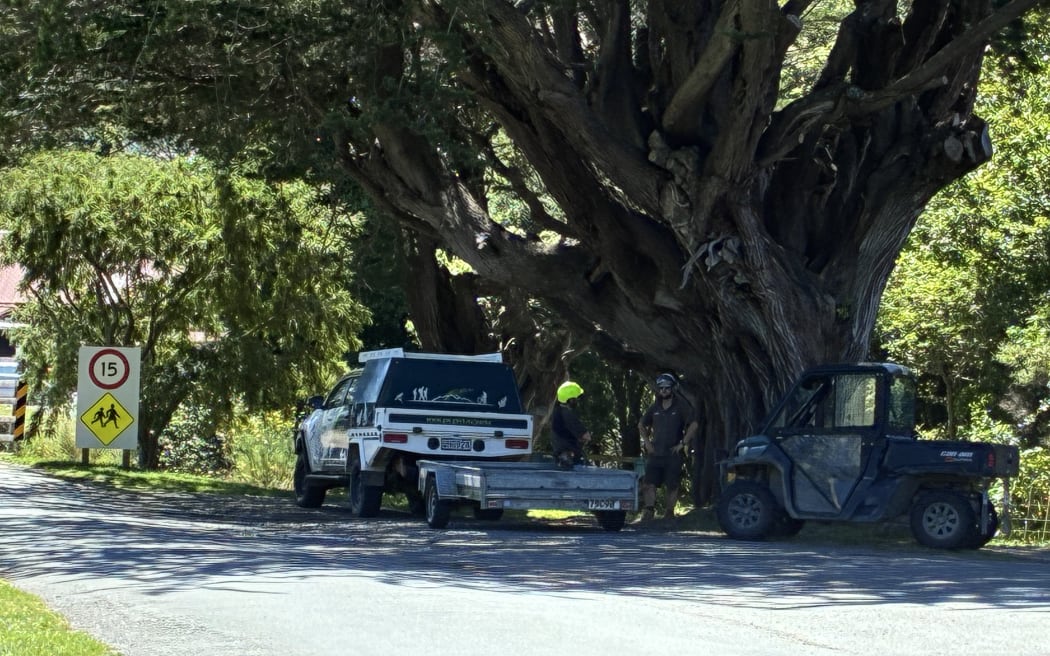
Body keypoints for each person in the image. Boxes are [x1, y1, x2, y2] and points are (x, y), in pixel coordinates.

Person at [638, 373, 698, 520]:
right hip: (655, 452)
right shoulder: (655, 407)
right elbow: (641, 424)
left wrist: (683, 443)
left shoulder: (681, 406)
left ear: (672, 388)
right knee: (649, 483)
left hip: (673, 453)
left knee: (672, 485)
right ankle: (649, 511)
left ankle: (669, 512)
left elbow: (694, 424)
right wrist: (647, 442)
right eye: (661, 388)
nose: (664, 391)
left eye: (667, 388)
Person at [551, 380, 591, 470]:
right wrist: (584, 436)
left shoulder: (556, 412)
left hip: (560, 455)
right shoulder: (567, 414)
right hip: (570, 458)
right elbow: (586, 436)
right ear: (570, 400)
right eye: (575, 399)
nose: (577, 401)